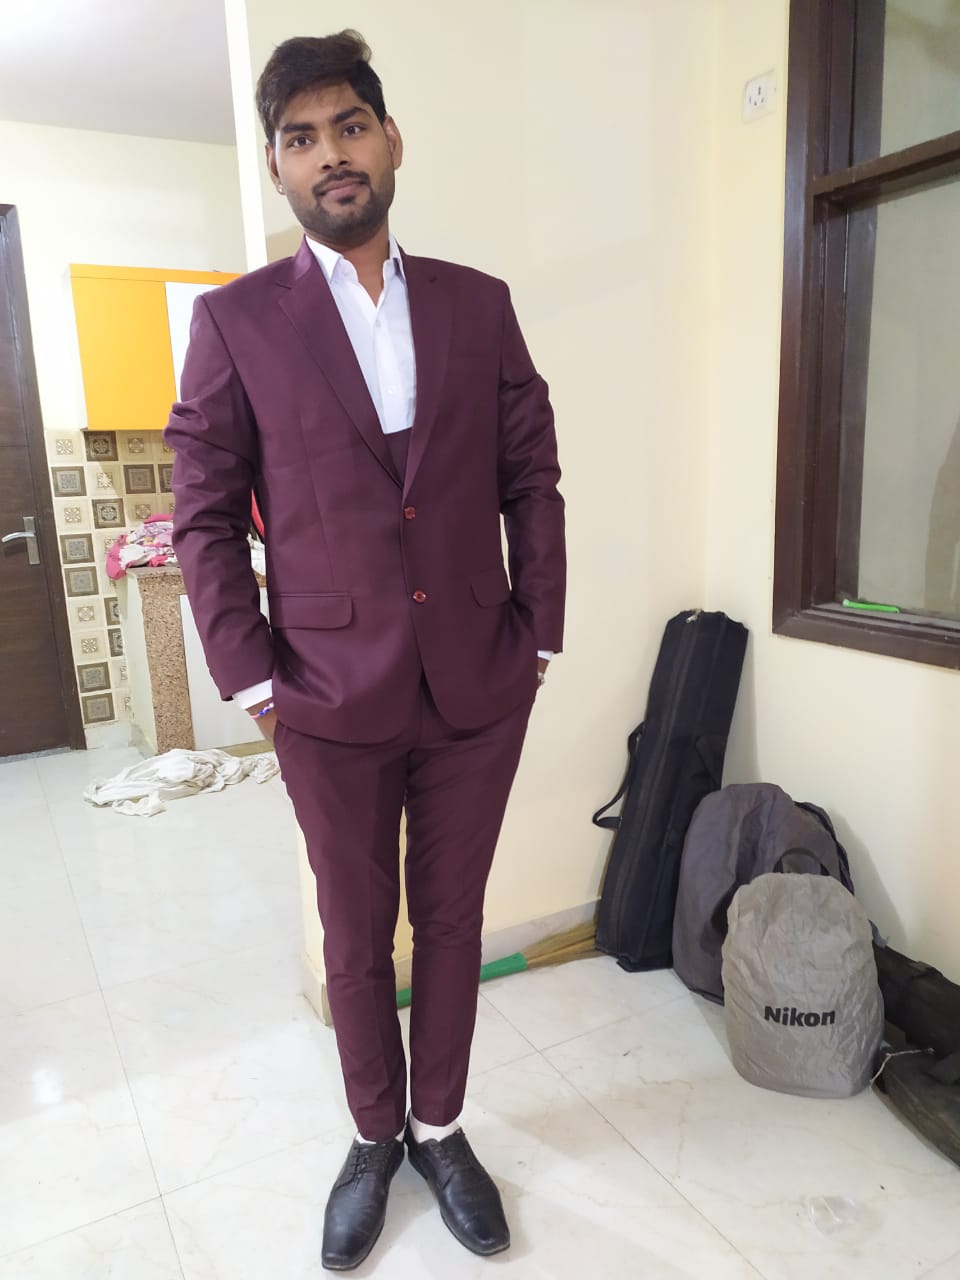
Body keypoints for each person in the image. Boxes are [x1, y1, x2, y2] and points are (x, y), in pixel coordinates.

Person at [165, 30, 565, 1272]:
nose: (330, 154)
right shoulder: (236, 323)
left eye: (349, 127)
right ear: (277, 168)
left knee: (451, 917)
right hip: (324, 694)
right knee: (354, 932)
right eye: (301, 138)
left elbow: (531, 478)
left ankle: (440, 1127)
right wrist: (254, 679)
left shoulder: (478, 304)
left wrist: (540, 636)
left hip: (479, 680)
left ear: (390, 141)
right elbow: (203, 516)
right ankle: (373, 1134)